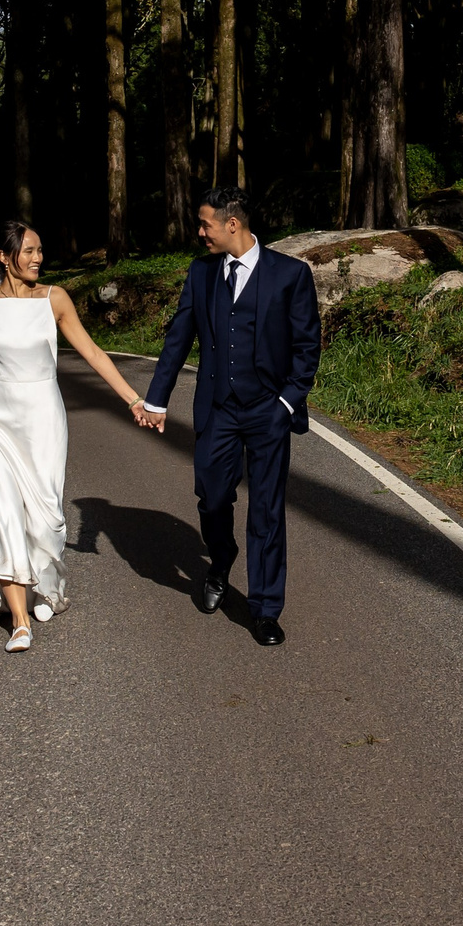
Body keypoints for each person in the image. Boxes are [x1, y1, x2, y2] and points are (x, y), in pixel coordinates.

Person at [0, 220, 153, 652]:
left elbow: (93, 352)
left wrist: (133, 399)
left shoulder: (54, 299)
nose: (38, 258)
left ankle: (44, 587)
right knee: (2, 515)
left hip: (44, 418)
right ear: (5, 258)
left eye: (40, 250)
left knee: (45, 517)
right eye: (28, 251)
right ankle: (21, 622)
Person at [139, 187, 321, 646]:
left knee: (266, 510)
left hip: (268, 411)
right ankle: (220, 562)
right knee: (212, 497)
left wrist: (285, 404)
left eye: (205, 224)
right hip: (218, 409)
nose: (199, 232)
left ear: (232, 224)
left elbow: (306, 349)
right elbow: (178, 338)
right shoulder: (201, 274)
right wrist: (156, 399)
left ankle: (263, 609)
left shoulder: (290, 274)